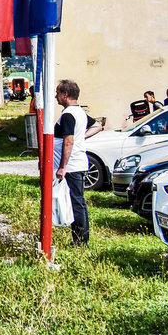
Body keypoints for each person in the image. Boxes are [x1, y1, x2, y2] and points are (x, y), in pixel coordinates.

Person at [53, 79, 91, 246]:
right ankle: (80, 238)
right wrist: (80, 138)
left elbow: (68, 141)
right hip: (76, 163)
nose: (56, 96)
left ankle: (81, 241)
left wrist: (63, 167)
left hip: (72, 165)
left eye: (58, 93)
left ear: (65, 95)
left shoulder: (68, 115)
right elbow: (97, 126)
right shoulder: (80, 112)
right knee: (77, 201)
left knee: (76, 202)